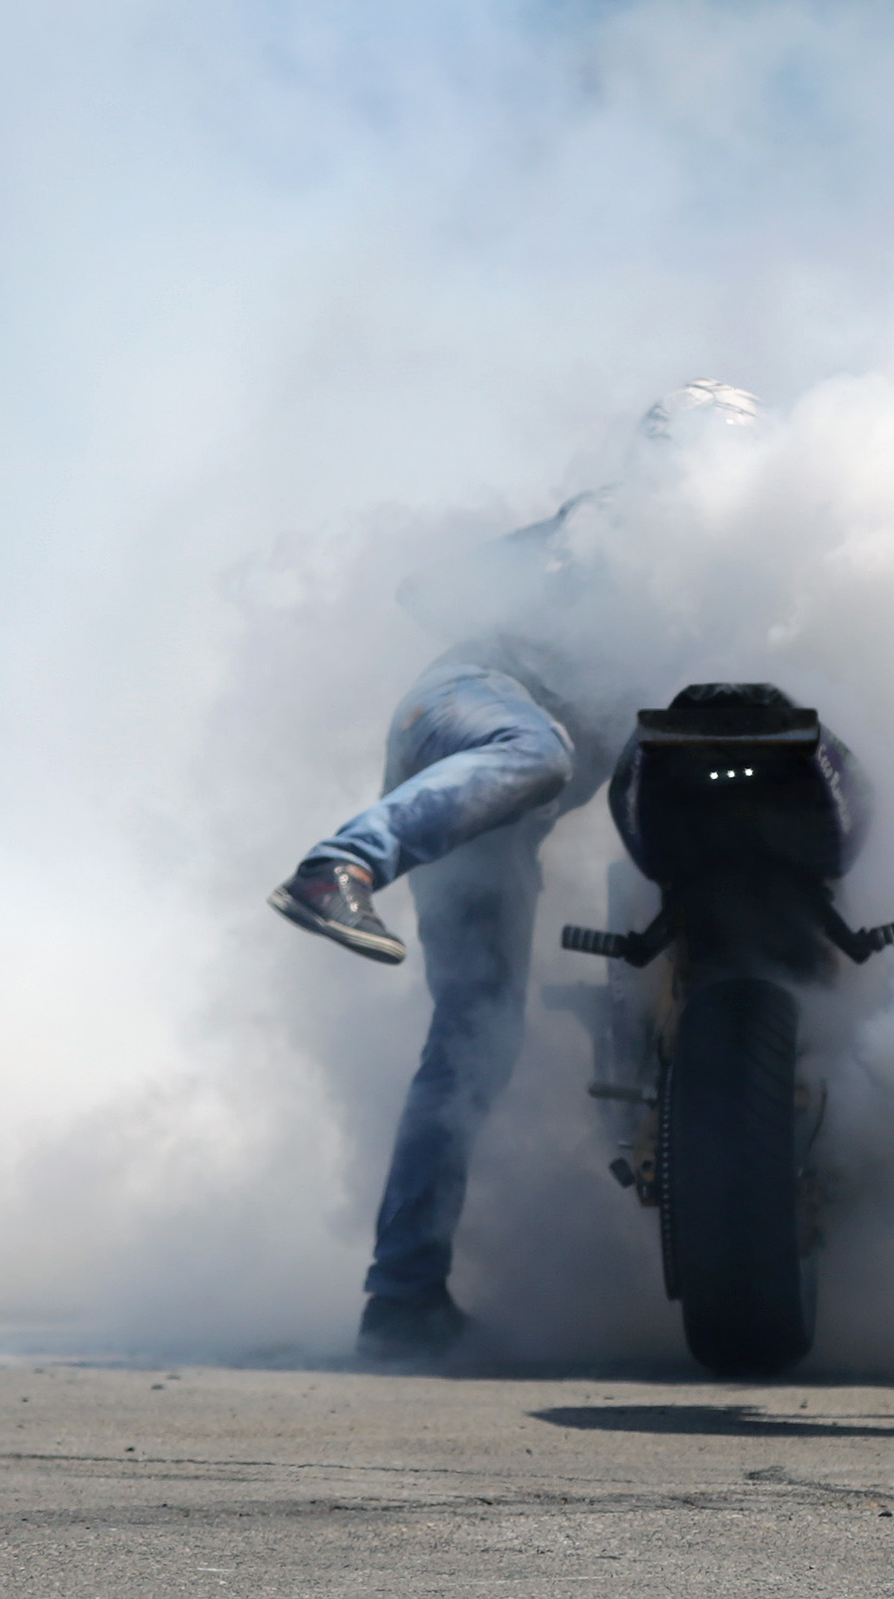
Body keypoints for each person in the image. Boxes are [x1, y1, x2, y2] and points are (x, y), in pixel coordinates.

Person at [266, 382, 759, 1359]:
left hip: (488, 821)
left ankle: (402, 1298)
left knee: (473, 1046)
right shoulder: (617, 527)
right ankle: (340, 864)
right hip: (471, 706)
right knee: (542, 750)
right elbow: (430, 590)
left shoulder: (690, 586)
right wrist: (552, 594)